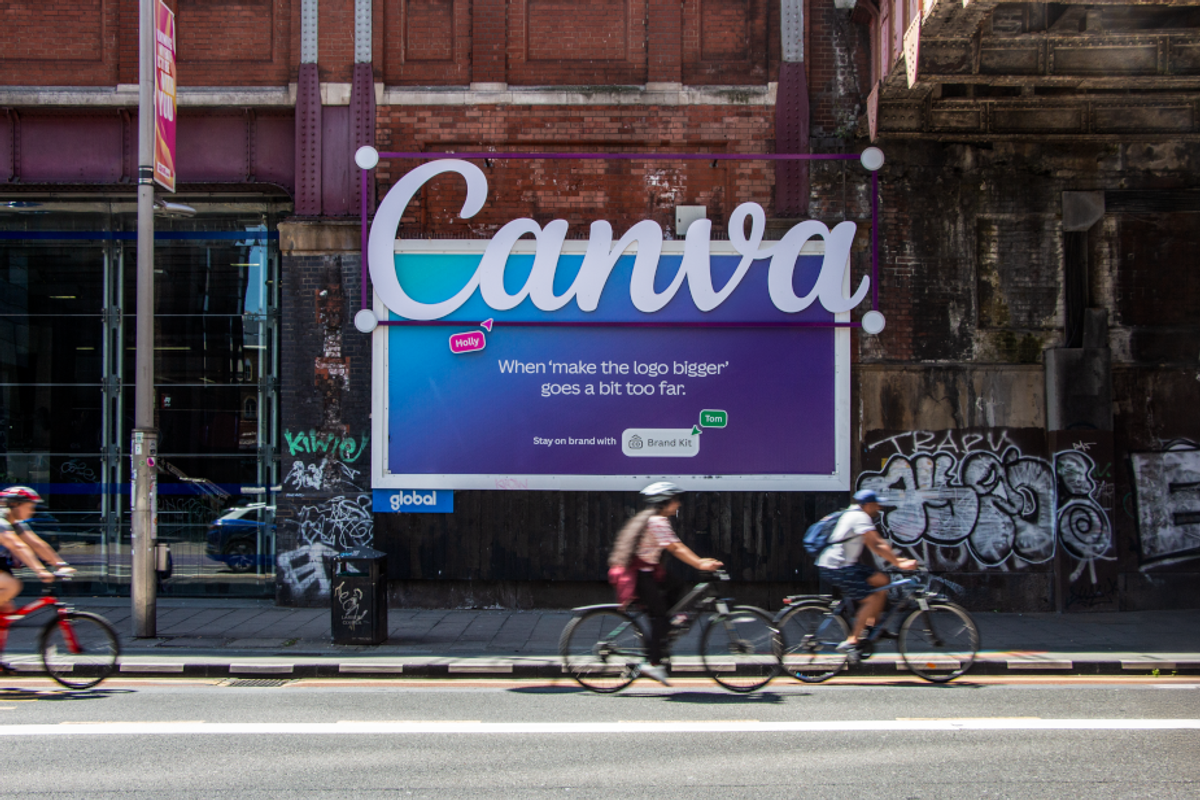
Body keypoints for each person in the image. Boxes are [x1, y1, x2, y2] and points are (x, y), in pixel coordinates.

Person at [608, 481, 722, 686]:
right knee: (659, 616)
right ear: (664, 502)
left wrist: (700, 562)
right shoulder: (657, 522)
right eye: (675, 500)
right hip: (640, 575)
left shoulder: (653, 518)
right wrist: (700, 563)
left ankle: (666, 628)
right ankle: (653, 663)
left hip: (649, 570)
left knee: (676, 585)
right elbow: (676, 548)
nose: (678, 504)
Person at [815, 488, 916, 656]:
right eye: (876, 504)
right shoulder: (859, 517)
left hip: (843, 564)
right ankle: (853, 640)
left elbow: (874, 544)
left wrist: (896, 561)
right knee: (871, 599)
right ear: (868, 505)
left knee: (882, 581)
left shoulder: (853, 513)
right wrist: (899, 562)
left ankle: (874, 628)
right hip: (838, 567)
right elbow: (876, 544)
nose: (879, 508)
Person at [0, 486, 70, 615]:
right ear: (14, 505)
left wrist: (60, 564)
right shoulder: (1, 522)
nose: (32, 511)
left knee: (6, 609)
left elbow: (37, 544)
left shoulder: (16, 524)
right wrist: (40, 570)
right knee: (12, 586)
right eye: (30, 507)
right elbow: (18, 546)